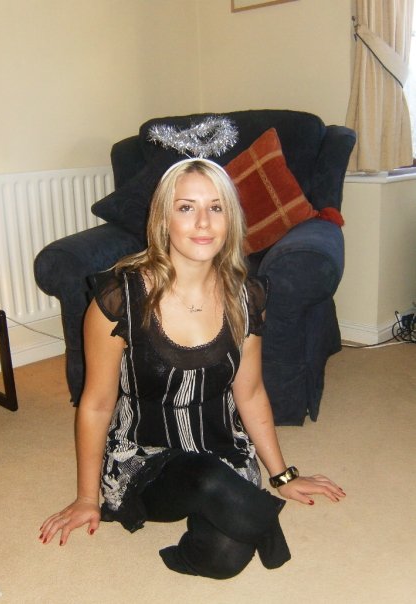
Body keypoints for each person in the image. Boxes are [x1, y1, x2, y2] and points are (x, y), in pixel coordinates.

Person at [39, 158, 345, 579]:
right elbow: (96, 404)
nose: (203, 222)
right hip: (144, 457)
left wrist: (282, 476)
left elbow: (251, 392)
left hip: (221, 445)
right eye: (186, 207)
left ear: (230, 219)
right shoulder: (120, 300)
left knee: (224, 559)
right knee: (210, 481)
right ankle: (258, 522)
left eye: (216, 207)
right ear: (163, 220)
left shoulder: (246, 298)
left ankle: (232, 507)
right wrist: (87, 498)